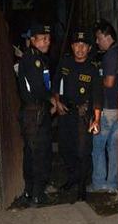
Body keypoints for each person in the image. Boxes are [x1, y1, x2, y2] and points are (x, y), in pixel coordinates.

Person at [53, 28, 103, 202]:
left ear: (89, 48)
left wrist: (97, 119)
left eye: (84, 45)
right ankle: (72, 177)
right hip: (66, 113)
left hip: (83, 115)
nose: (80, 49)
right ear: (72, 46)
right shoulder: (65, 64)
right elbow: (55, 84)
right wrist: (57, 102)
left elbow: (98, 96)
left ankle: (82, 187)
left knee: (83, 152)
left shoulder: (93, 69)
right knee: (66, 149)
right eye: (76, 45)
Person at [14, 24, 58, 207]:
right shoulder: (34, 60)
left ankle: (30, 192)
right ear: (33, 40)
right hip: (36, 112)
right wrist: (51, 101)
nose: (47, 42)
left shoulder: (36, 57)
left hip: (34, 112)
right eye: (42, 38)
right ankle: (37, 194)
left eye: (48, 38)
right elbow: (38, 87)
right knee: (39, 153)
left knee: (33, 152)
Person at [90, 20, 118, 194]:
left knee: (98, 146)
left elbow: (109, 82)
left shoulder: (109, 55)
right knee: (113, 148)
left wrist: (95, 80)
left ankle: (99, 182)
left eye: (99, 38)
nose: (97, 41)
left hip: (107, 108)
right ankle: (112, 184)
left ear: (108, 37)